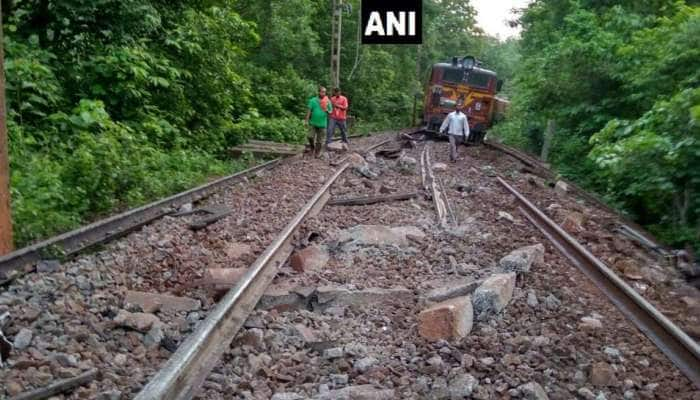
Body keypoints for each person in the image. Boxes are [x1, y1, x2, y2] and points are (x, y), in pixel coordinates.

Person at [304, 86, 332, 157]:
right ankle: (312, 147)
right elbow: (309, 111)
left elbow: (331, 111)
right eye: (322, 92)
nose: (324, 93)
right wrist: (306, 120)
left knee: (320, 141)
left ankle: (317, 152)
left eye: (325, 92)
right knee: (310, 136)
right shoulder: (313, 100)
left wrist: (327, 111)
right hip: (313, 122)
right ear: (319, 92)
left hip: (322, 123)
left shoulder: (327, 101)